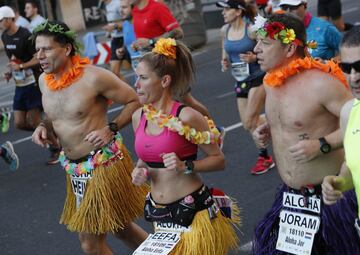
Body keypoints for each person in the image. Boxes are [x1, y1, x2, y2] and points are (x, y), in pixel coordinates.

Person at [31, 20, 148, 254]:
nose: (40, 55)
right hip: (75, 170)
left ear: (66, 49)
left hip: (102, 165)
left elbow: (135, 100)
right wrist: (43, 126)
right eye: (38, 49)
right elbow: (55, 115)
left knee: (90, 243)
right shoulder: (44, 80)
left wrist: (111, 128)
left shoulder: (94, 77)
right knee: (121, 228)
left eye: (47, 49)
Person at [252, 13, 360, 254]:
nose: (256, 49)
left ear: (290, 48)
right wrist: (270, 129)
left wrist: (322, 144)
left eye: (265, 44)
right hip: (291, 200)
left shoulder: (321, 84)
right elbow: (295, 120)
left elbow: (356, 125)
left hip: (330, 197)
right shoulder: (271, 83)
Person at [131, 38, 239, 254]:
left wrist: (186, 165)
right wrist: (139, 170)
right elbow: (145, 158)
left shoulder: (188, 116)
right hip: (160, 218)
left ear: (164, 81)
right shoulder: (138, 116)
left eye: (143, 78)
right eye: (136, 77)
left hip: (193, 214)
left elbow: (219, 160)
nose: (136, 84)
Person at [217, 0, 274, 175]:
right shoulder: (224, 30)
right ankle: (277, 123)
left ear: (238, 11)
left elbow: (270, 47)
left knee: (251, 120)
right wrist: (225, 60)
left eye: (227, 9)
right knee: (247, 124)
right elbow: (225, 49)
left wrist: (254, 58)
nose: (223, 13)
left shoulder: (251, 29)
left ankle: (264, 157)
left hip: (258, 78)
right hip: (241, 80)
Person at [0, 6, 60, 165]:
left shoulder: (25, 35)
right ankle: (52, 134)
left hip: (33, 82)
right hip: (20, 84)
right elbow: (13, 58)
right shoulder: (4, 37)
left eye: (0, 20)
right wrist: (11, 70)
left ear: (9, 19)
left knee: (34, 121)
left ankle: (56, 148)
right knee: (19, 123)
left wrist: (22, 67)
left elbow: (37, 58)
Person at [322, 26, 360, 238]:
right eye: (347, 67)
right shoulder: (348, 112)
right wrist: (338, 181)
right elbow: (352, 164)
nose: (354, 77)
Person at [101, 0, 130, 80]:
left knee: (136, 68)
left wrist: (115, 27)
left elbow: (128, 21)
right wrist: (110, 32)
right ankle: (128, 91)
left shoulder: (118, 3)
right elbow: (113, 22)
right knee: (114, 73)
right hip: (115, 39)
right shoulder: (105, 5)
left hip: (124, 38)